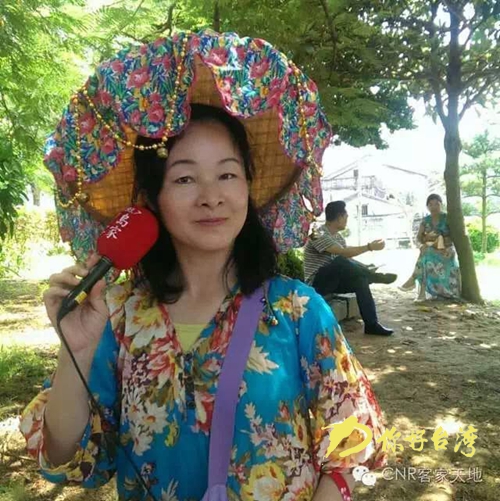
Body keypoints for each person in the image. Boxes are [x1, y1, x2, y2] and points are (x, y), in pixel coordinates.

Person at [20, 31, 387, 501]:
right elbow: (66, 457)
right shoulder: (118, 317)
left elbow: (349, 443)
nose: (211, 196)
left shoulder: (297, 311)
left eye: (227, 174)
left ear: (248, 187)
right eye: (185, 178)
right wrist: (75, 351)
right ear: (152, 199)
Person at [304, 201, 397, 336]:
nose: (347, 218)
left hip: (333, 281)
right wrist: (369, 247)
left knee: (361, 279)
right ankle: (375, 277)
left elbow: (348, 261)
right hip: (316, 283)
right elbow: (343, 254)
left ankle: (371, 325)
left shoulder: (339, 237)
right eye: (345, 216)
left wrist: (365, 267)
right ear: (339, 217)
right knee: (340, 260)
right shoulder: (317, 233)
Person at [400, 194, 461, 300]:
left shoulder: (447, 218)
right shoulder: (425, 221)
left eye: (437, 204)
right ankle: (420, 290)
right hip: (431, 249)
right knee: (426, 253)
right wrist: (422, 244)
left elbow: (455, 236)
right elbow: (418, 238)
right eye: (430, 204)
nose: (434, 207)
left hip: (446, 251)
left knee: (426, 254)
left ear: (441, 205)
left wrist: (444, 243)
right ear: (427, 207)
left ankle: (415, 282)